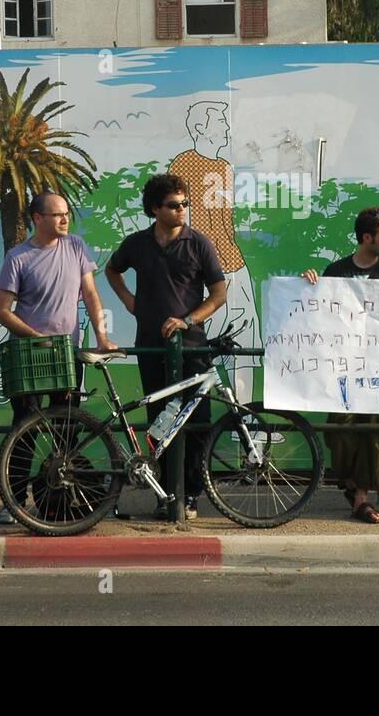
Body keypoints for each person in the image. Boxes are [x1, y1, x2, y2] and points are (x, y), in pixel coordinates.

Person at [107, 173, 227, 521]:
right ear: (155, 209)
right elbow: (112, 270)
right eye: (174, 205)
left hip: (191, 346)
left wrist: (188, 320)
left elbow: (219, 294)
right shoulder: (137, 243)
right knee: (159, 424)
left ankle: (190, 494)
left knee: (198, 422)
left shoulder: (199, 243)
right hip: (151, 346)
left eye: (186, 204)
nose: (182, 211)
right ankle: (164, 494)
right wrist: (130, 302)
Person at [0, 191, 116, 525]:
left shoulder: (76, 246)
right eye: (57, 214)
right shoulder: (18, 257)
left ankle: (61, 498)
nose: (65, 219)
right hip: (30, 357)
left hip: (67, 354)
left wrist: (102, 337)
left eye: (67, 213)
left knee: (66, 429)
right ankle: (14, 502)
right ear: (37, 219)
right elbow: (2, 311)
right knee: (25, 429)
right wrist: (36, 337)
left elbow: (90, 294)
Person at [300, 206, 379, 524]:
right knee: (340, 431)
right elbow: (321, 314)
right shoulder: (337, 270)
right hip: (342, 367)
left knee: (375, 430)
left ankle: (362, 497)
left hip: (378, 368)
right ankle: (351, 482)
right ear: (366, 237)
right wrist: (309, 284)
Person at [169, 101, 261, 401]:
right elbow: (183, 224)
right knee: (201, 346)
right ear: (200, 128)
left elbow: (226, 222)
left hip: (234, 265)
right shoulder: (183, 165)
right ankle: (193, 420)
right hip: (204, 272)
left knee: (244, 341)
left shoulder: (225, 167)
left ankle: (246, 421)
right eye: (219, 120)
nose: (226, 126)